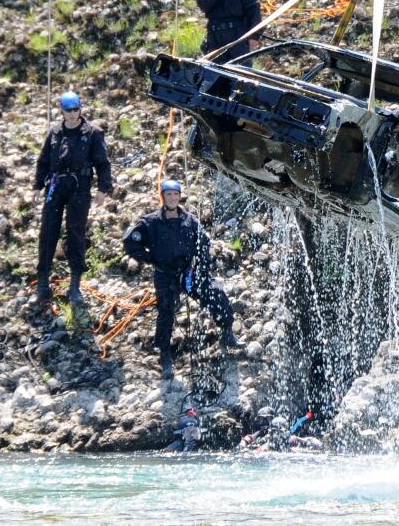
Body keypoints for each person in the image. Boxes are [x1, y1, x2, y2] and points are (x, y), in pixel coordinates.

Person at [122, 179, 243, 379]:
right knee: (166, 311)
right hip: (165, 273)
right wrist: (150, 257)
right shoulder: (150, 222)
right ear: (163, 196)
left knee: (214, 292)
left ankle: (227, 333)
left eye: (175, 194)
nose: (172, 198)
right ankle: (165, 355)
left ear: (179, 196)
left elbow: (204, 244)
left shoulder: (190, 220)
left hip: (187, 271)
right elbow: (129, 242)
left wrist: (202, 271)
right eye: (168, 194)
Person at [33, 91, 113, 307]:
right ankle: (42, 283)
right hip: (56, 186)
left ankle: (75, 284)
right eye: (68, 110)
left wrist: (103, 189)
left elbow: (103, 163)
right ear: (62, 111)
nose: (72, 114)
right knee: (48, 231)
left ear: (81, 108)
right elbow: (43, 160)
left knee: (76, 233)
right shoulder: (55, 131)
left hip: (79, 188)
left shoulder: (93, 133)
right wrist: (37, 185)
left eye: (75, 109)